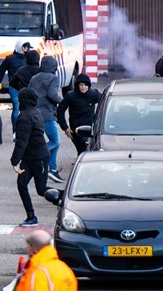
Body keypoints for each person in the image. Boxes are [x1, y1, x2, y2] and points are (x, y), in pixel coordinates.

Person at [10, 88, 50, 227]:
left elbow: (22, 141)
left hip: (39, 157)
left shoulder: (25, 116)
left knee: (41, 189)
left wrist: (15, 161)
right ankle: (31, 216)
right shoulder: (35, 111)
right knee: (22, 184)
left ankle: (64, 198)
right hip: (31, 157)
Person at [28, 55, 64, 183]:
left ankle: (52, 169)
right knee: (55, 141)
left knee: (47, 141)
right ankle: (35, 156)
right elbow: (52, 94)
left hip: (34, 114)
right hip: (48, 114)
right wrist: (64, 101)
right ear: (54, 66)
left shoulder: (34, 78)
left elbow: (29, 93)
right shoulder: (53, 78)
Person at [57, 74, 100, 156]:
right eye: (81, 85)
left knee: (85, 149)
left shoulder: (93, 94)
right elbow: (60, 110)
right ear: (77, 85)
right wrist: (65, 128)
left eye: (85, 85)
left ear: (89, 85)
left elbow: (104, 102)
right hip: (75, 129)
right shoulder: (70, 96)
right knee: (80, 149)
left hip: (89, 129)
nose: (83, 87)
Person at [0, 41, 30, 129]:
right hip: (25, 86)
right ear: (23, 48)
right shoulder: (28, 58)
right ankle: (23, 129)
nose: (28, 49)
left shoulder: (9, 58)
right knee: (25, 108)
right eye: (27, 47)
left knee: (16, 108)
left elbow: (1, 70)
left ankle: (15, 132)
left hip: (13, 86)